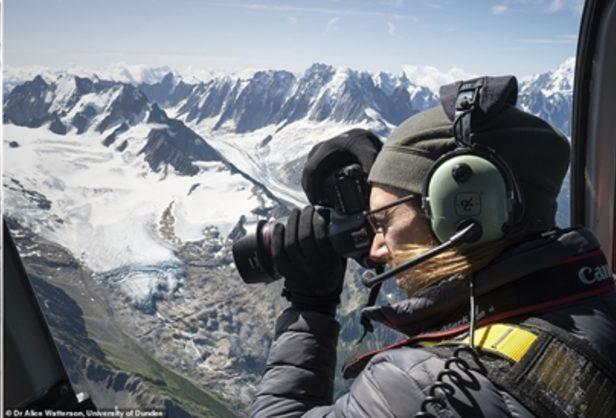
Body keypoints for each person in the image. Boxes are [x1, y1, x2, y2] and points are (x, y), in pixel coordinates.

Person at [249, 76, 616, 417]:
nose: (375, 251)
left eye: (383, 223)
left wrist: (310, 306)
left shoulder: (413, 386)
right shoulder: (598, 304)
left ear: (462, 212)